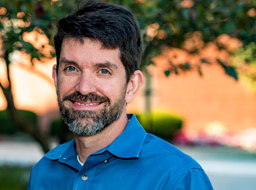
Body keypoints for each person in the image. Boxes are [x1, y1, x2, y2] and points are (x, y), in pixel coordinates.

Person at [28, 1, 213, 189]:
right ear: (56, 78)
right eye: (71, 68)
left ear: (131, 86)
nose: (84, 88)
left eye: (103, 71)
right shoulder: (44, 172)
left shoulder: (176, 178)